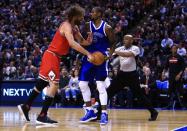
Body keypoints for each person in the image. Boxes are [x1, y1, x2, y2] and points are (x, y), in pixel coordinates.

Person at [17, 5, 94, 124]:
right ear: (75, 16)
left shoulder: (74, 27)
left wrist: (88, 42)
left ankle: (26, 106)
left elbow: (81, 42)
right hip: (52, 56)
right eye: (81, 16)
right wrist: (87, 53)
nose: (83, 18)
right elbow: (72, 44)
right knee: (54, 85)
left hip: (54, 57)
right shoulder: (66, 26)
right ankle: (42, 115)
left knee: (42, 82)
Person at [97, 35, 158, 121]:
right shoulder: (120, 48)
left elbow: (127, 54)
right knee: (108, 93)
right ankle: (100, 113)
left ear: (131, 41)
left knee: (140, 96)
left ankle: (153, 112)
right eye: (124, 39)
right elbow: (109, 52)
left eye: (127, 39)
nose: (124, 40)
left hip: (132, 76)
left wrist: (114, 51)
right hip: (121, 75)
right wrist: (103, 52)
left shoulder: (135, 48)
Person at [76, 7, 116, 125]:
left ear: (99, 14)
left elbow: (113, 42)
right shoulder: (88, 25)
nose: (91, 13)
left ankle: (104, 113)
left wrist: (109, 55)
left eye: (93, 12)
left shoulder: (107, 28)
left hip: (101, 59)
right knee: (82, 84)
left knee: (100, 85)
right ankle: (90, 111)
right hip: (89, 57)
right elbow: (83, 40)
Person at [164, 44, 185, 109]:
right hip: (171, 77)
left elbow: (183, 67)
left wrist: (179, 75)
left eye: (175, 48)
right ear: (171, 49)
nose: (174, 49)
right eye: (173, 48)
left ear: (176, 49)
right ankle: (168, 105)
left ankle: (183, 105)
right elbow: (166, 66)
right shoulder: (169, 57)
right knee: (169, 91)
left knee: (180, 91)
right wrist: (163, 72)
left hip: (178, 77)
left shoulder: (180, 57)